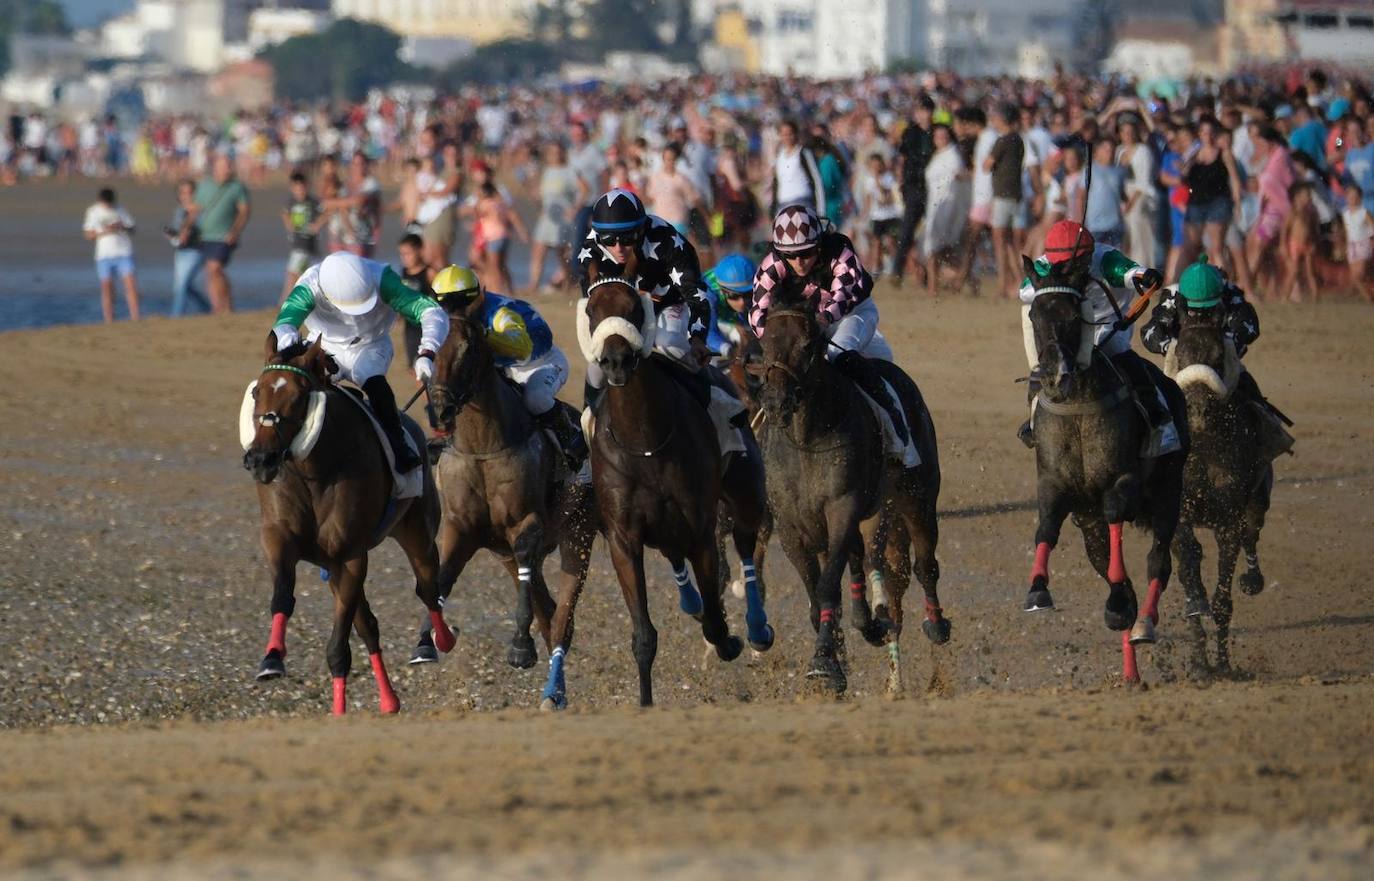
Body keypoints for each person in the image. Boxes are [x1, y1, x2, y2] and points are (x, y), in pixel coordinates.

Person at [749, 204, 918, 467]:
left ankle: (898, 433)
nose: (799, 262)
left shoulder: (839, 250)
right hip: (804, 325)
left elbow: (842, 298)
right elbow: (758, 313)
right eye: (790, 256)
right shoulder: (771, 265)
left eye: (805, 253)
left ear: (818, 244)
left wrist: (818, 324)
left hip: (851, 314)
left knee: (838, 354)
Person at [270, 252, 449, 472]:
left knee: (375, 384)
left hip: (371, 345)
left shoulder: (383, 279)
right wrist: (300, 350)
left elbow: (431, 311)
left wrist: (427, 352)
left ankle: (399, 446)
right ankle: (278, 449)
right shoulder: (308, 286)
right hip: (322, 346)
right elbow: (283, 325)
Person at [1017, 220, 1174, 456]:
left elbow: (1128, 271)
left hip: (1107, 328)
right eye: (1065, 264)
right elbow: (1024, 290)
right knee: (1044, 368)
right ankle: (1033, 421)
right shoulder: (1044, 266)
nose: (1074, 268)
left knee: (1126, 361)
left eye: (1079, 263)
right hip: (1068, 332)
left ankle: (1155, 411)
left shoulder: (1105, 257)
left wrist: (1144, 275)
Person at [428, 265, 584, 467]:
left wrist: (483, 335)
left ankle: (572, 440)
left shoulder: (500, 312)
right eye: (447, 305)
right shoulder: (442, 317)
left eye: (461, 304)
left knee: (535, 399)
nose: (454, 312)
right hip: (501, 368)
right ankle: (449, 438)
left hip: (539, 364)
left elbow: (523, 347)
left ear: (478, 297)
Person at [576, 187, 717, 408]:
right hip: (623, 314)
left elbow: (695, 293)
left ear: (642, 229)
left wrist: (698, 337)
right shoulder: (589, 251)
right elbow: (593, 308)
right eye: (609, 240)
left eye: (628, 238)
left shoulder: (669, 241)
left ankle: (712, 407)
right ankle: (587, 421)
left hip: (666, 305)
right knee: (595, 367)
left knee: (670, 344)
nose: (619, 247)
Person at [1142, 255, 1293, 458]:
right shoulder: (1172, 295)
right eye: (1196, 307)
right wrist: (1172, 347)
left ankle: (1268, 442)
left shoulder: (1229, 292)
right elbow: (1150, 331)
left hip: (1223, 365)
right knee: (1154, 404)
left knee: (1251, 393)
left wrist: (1229, 343)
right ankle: (1154, 449)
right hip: (1180, 366)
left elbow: (1249, 326)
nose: (1202, 311)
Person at [195, 153, 251, 314]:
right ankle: (219, 306)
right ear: (216, 168)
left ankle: (225, 306)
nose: (228, 169)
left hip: (225, 236)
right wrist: (185, 228)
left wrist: (235, 231)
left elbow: (244, 211)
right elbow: (196, 209)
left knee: (215, 268)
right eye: (225, 166)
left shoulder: (237, 187)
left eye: (229, 165)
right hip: (205, 235)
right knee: (211, 272)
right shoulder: (205, 185)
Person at [527, 141, 586, 294]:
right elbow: (540, 194)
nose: (555, 155)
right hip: (547, 216)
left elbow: (585, 189)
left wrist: (575, 209)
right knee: (538, 250)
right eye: (552, 152)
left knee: (562, 254)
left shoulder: (570, 171)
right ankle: (533, 284)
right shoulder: (546, 171)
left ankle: (568, 282)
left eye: (558, 151)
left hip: (562, 219)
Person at [892, 95, 935, 286]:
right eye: (920, 111)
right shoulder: (910, 133)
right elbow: (902, 159)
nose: (923, 115)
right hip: (914, 186)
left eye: (926, 111)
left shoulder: (938, 133)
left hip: (933, 188)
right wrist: (901, 183)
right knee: (908, 229)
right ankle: (897, 270)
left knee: (933, 231)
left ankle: (929, 272)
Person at [82, 187, 141, 323]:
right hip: (103, 256)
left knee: (130, 285)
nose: (108, 206)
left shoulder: (120, 209)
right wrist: (105, 231)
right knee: (107, 288)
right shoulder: (93, 212)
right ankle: (109, 319)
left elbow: (133, 228)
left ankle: (135, 317)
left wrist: (122, 227)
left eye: (109, 204)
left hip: (124, 252)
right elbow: (88, 234)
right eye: (105, 204)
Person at [986, 104, 1027, 297]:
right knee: (1011, 241)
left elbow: (987, 164)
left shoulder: (1002, 141)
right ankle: (1018, 280)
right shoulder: (1018, 140)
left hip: (1002, 195)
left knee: (1000, 242)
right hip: (1017, 195)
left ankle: (1003, 284)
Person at [166, 178, 209, 317]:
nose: (186, 196)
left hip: (196, 251)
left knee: (181, 286)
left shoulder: (201, 209)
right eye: (183, 193)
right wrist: (173, 236)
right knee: (184, 286)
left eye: (190, 192)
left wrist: (190, 228)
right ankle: (208, 309)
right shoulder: (179, 211)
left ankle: (176, 316)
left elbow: (206, 229)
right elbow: (176, 231)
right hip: (181, 252)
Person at [280, 171, 324, 301]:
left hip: (306, 245)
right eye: (297, 188)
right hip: (296, 244)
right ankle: (291, 300)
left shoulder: (312, 202)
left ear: (307, 186)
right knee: (302, 274)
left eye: (302, 188)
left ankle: (285, 301)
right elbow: (284, 212)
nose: (300, 191)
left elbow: (326, 211)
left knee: (293, 273)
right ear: (292, 188)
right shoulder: (291, 202)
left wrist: (317, 225)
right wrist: (288, 224)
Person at [396, 232, 436, 364]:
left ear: (420, 251)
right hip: (410, 326)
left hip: (426, 323)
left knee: (428, 360)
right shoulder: (404, 272)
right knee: (413, 365)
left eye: (408, 253)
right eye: (402, 254)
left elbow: (440, 297)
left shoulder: (430, 273)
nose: (405, 258)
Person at [1342, 182, 1374, 300]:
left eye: (1355, 196)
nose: (1352, 199)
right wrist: (1346, 246)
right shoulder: (1345, 214)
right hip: (1352, 246)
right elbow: (1347, 231)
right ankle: (1368, 295)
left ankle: (1368, 297)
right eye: (1350, 196)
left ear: (1360, 198)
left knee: (1359, 274)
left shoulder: (1364, 212)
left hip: (1364, 243)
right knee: (1356, 276)